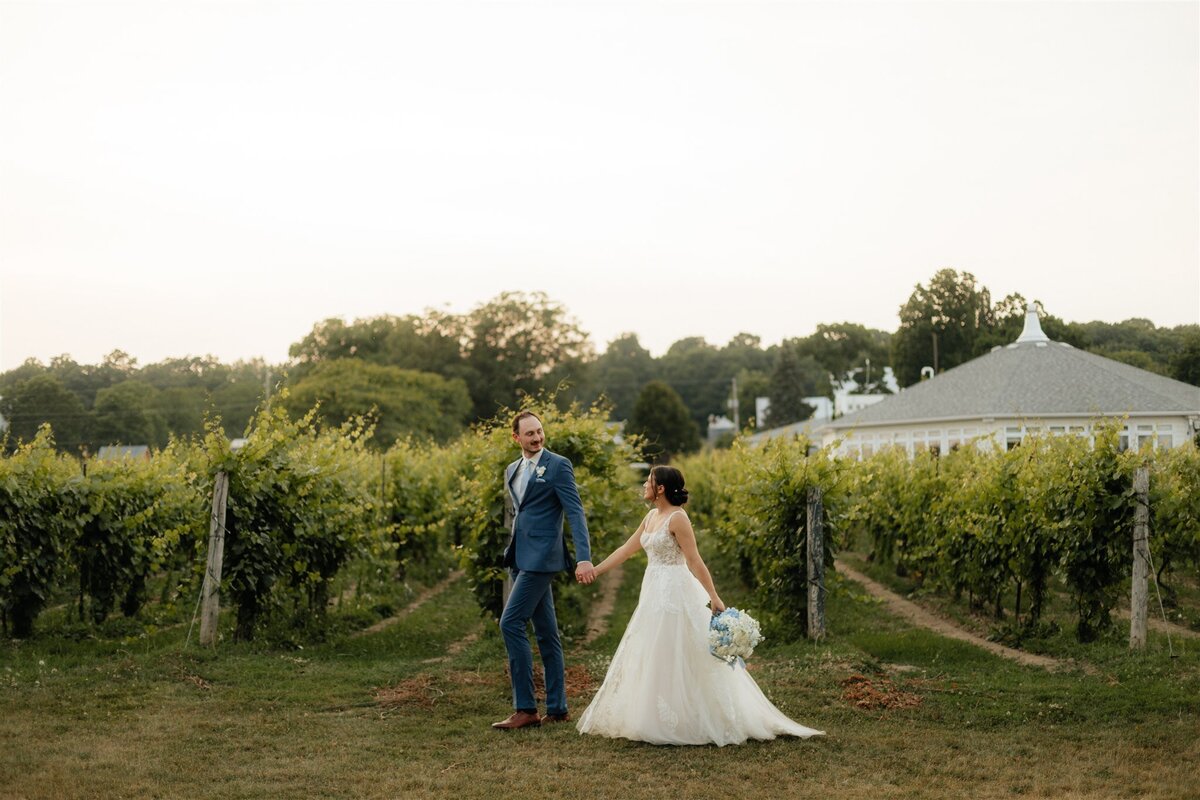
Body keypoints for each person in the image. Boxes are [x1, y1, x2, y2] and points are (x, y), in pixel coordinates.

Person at [576, 465, 824, 745]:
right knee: (655, 650)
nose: (644, 485)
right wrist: (596, 570)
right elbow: (626, 549)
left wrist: (714, 597)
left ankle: (694, 717)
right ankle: (657, 715)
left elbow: (694, 560)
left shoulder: (678, 519)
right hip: (653, 593)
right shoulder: (650, 517)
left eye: (648, 481)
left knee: (683, 650)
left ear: (660, 489)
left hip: (676, 593)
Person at [492, 411, 595, 731]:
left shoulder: (558, 465)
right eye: (530, 434)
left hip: (543, 558)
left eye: (539, 431)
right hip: (519, 557)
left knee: (510, 623)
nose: (537, 438)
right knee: (548, 634)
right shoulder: (512, 469)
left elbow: (575, 512)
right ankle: (558, 707)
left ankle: (525, 708)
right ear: (516, 438)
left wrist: (584, 557)